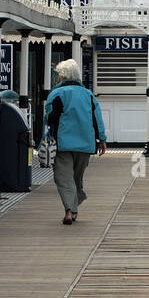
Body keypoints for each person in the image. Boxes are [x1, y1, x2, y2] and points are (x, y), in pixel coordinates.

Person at [42, 59, 106, 224]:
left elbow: (50, 119)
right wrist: (102, 140)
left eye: (58, 75)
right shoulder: (88, 95)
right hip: (85, 144)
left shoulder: (56, 94)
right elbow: (97, 119)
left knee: (64, 178)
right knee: (76, 177)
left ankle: (70, 209)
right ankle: (72, 208)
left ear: (63, 76)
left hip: (63, 143)